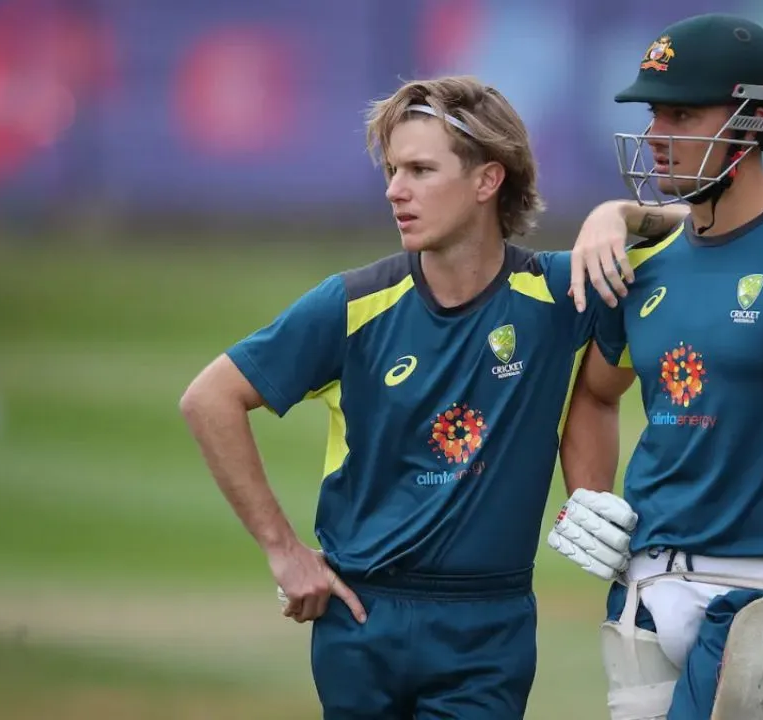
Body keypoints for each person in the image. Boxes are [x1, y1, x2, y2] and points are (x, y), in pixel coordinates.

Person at [178, 74, 670, 719]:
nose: (394, 190)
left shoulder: (557, 294)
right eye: (391, 169)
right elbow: (209, 399)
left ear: (486, 181)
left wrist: (620, 214)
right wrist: (284, 551)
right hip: (361, 620)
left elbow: (714, 227)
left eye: (419, 169)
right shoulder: (352, 304)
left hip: (488, 627)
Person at [547, 13, 763, 720]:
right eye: (654, 112)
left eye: (682, 113)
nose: (656, 134)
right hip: (644, 595)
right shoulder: (641, 258)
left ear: (752, 122)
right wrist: (590, 494)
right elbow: (593, 396)